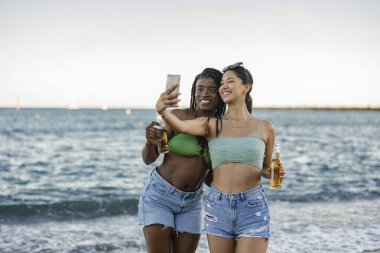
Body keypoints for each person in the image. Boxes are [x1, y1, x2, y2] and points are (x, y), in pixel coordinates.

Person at [156, 62, 285, 253]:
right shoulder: (211, 124)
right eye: (222, 83)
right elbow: (181, 126)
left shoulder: (265, 128)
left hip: (252, 206)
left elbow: (266, 168)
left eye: (230, 81)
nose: (224, 86)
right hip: (218, 206)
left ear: (246, 87)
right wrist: (162, 109)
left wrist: (274, 173)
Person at [139, 68, 226, 253]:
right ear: (193, 92)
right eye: (200, 88)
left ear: (220, 92)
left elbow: (210, 178)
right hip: (159, 196)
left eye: (211, 89)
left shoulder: (222, 129)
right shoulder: (178, 117)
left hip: (192, 202)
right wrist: (149, 141)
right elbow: (148, 159)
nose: (204, 94)